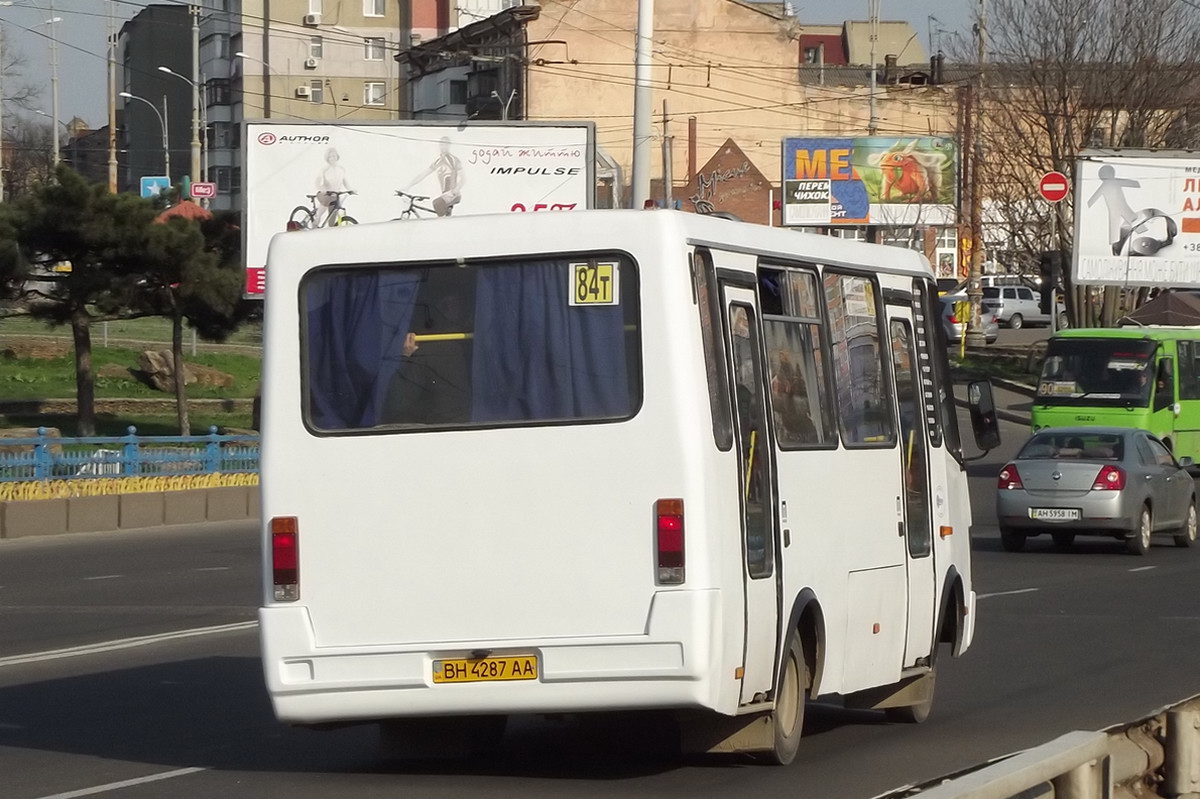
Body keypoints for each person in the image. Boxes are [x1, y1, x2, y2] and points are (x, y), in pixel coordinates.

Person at [404, 137, 465, 217]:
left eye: (446, 144)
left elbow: (463, 178)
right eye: (442, 144)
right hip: (445, 196)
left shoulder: (454, 160)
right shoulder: (438, 162)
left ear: (449, 146)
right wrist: (408, 186)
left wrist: (454, 191)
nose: (444, 147)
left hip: (453, 195)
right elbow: (423, 175)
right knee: (442, 215)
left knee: (436, 204)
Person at [315, 147, 353, 226]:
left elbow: (344, 180)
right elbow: (317, 182)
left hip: (336, 195)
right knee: (319, 215)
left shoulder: (341, 169)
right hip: (327, 196)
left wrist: (350, 189)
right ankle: (312, 228)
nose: (332, 158)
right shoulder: (324, 169)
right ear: (327, 158)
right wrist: (322, 189)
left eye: (334, 156)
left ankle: (336, 229)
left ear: (337, 156)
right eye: (330, 156)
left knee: (333, 218)